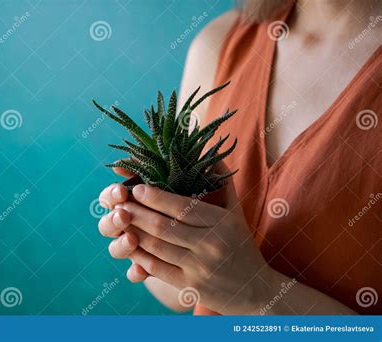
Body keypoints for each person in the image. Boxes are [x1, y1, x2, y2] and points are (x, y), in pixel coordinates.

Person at [98, 0, 381, 315]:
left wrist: (257, 292)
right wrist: (152, 237)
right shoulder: (220, 41)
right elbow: (186, 294)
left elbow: (236, 289)